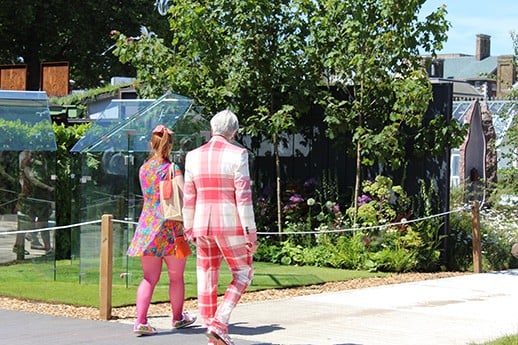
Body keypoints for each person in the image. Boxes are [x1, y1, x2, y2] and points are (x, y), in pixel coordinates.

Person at [183, 110, 258, 345]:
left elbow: (188, 196)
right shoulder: (238, 154)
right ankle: (219, 323)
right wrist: (250, 233)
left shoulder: (192, 156)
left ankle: (210, 330)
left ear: (212, 129)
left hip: (201, 224)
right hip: (230, 224)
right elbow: (243, 198)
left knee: (206, 275)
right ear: (234, 132)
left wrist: (188, 228)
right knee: (244, 273)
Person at [126, 125, 196, 336]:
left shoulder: (143, 169)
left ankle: (141, 322)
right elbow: (185, 194)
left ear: (151, 144)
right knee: (176, 277)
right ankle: (177, 318)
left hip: (148, 228)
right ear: (170, 145)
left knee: (149, 278)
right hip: (171, 229)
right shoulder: (173, 168)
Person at [14, 150, 54, 257]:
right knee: (25, 224)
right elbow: (33, 180)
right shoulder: (26, 161)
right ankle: (19, 247)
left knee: (43, 222)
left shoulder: (43, 160)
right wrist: (48, 188)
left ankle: (48, 248)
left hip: (41, 198)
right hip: (29, 197)